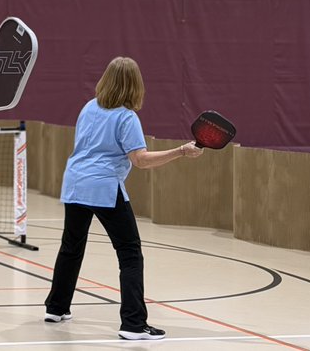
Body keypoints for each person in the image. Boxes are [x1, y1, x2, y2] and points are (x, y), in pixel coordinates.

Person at [43, 56, 203, 341]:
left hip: (75, 183)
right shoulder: (127, 117)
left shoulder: (88, 107)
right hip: (103, 187)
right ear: (135, 85)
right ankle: (133, 324)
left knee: (71, 246)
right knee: (129, 253)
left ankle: (56, 307)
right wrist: (180, 151)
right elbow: (140, 160)